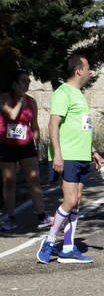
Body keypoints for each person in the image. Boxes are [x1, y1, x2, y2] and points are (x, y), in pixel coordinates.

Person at [36, 55, 104, 264]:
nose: (90, 71)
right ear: (78, 71)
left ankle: (68, 247)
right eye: (88, 68)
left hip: (82, 155)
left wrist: (94, 153)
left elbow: (82, 128)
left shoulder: (78, 94)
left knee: (76, 202)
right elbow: (52, 125)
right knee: (68, 201)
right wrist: (57, 154)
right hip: (67, 156)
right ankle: (49, 243)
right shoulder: (63, 93)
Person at [0, 70, 52, 231]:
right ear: (14, 83)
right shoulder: (3, 98)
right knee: (10, 181)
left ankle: (42, 215)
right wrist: (21, 98)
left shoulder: (32, 102)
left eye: (28, 81)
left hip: (26, 144)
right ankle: (10, 217)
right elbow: (13, 115)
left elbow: (34, 126)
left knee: (34, 179)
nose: (27, 84)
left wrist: (39, 144)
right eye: (23, 81)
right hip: (6, 144)